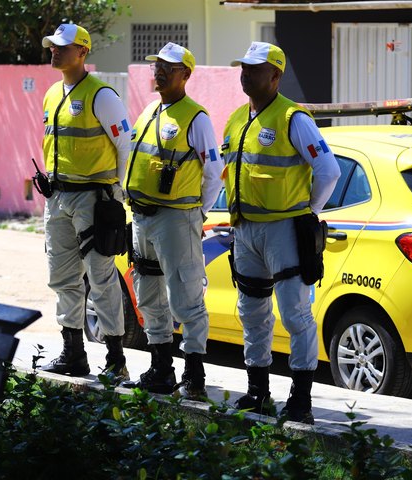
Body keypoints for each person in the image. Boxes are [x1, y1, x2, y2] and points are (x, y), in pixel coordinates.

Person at [223, 42, 340, 424]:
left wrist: (308, 214)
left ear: (275, 76)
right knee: (252, 313)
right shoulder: (238, 118)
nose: (245, 74)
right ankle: (257, 392)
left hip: (284, 231)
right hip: (246, 231)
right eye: (243, 67)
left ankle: (300, 400)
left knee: (295, 315)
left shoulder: (293, 118)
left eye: (254, 69)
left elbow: (329, 171)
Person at [121, 43, 223, 400]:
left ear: (186, 75)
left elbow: (213, 173)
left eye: (169, 66)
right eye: (157, 65)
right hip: (143, 219)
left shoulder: (196, 118)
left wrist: (197, 213)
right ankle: (160, 369)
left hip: (176, 220)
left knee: (186, 296)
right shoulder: (149, 110)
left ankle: (194, 376)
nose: (160, 71)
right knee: (148, 295)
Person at [38, 24, 131, 380]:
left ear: (83, 52)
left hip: (94, 200)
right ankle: (73, 353)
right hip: (58, 198)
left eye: (62, 46)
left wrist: (116, 193)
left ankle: (115, 359)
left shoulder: (101, 95)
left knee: (101, 276)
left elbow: (125, 146)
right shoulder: (51, 94)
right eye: (52, 46)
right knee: (62, 277)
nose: (54, 51)